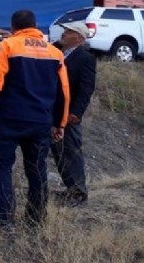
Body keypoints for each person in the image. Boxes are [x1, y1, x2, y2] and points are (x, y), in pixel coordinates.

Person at [0, 9, 70, 232]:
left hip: (9, 120)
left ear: (14, 27)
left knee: (1, 168)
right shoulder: (55, 54)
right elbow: (64, 92)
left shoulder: (6, 47)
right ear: (36, 27)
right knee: (37, 170)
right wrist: (60, 123)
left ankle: (4, 221)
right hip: (41, 123)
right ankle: (36, 221)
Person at [50, 22, 96, 207]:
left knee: (71, 152)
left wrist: (77, 112)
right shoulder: (58, 51)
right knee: (58, 151)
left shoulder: (85, 57)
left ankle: (78, 193)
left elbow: (86, 87)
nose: (63, 34)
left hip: (69, 114)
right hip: (54, 111)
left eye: (68, 31)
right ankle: (71, 188)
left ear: (78, 37)